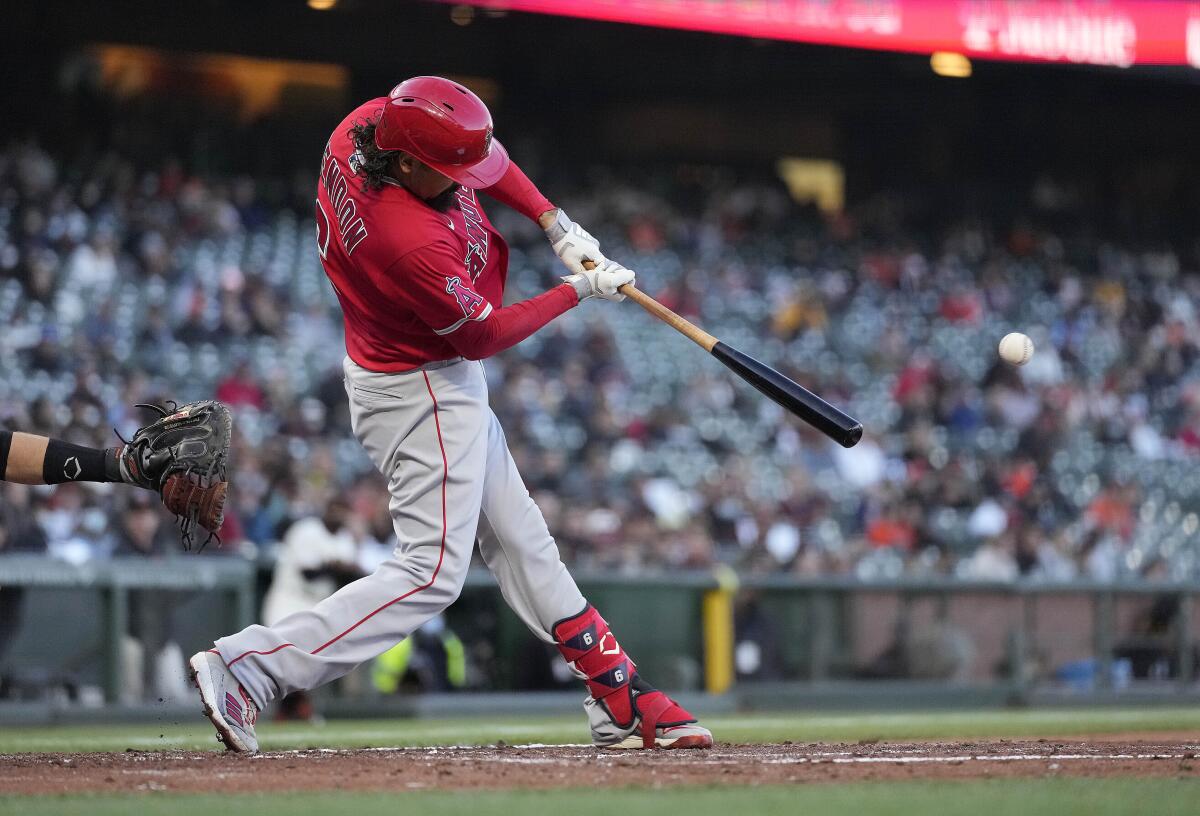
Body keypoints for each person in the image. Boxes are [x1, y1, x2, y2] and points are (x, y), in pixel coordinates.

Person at [189, 76, 712, 752]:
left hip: (414, 374)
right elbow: (482, 336)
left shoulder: (368, 125)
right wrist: (577, 290)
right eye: (451, 171)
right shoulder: (404, 237)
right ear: (406, 164)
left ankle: (617, 692)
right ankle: (249, 667)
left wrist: (553, 221)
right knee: (431, 573)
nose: (468, 178)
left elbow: (477, 151)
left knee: (522, 540)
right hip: (422, 386)